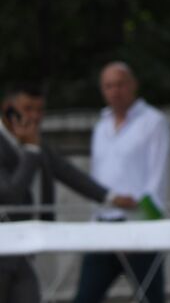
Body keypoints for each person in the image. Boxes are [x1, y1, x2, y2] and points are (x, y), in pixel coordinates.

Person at [1, 82, 137, 303]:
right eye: (28, 109)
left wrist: (111, 197)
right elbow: (10, 194)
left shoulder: (37, 144)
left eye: (39, 110)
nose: (35, 116)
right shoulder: (29, 146)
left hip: (23, 252)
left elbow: (70, 174)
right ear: (8, 109)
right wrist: (31, 151)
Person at [73, 62, 170, 303]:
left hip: (139, 226)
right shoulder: (101, 125)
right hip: (104, 225)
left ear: (133, 85)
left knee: (151, 297)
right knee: (85, 297)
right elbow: (98, 177)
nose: (114, 91)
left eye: (120, 84)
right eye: (108, 86)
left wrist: (139, 225)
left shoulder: (154, 122)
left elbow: (157, 181)